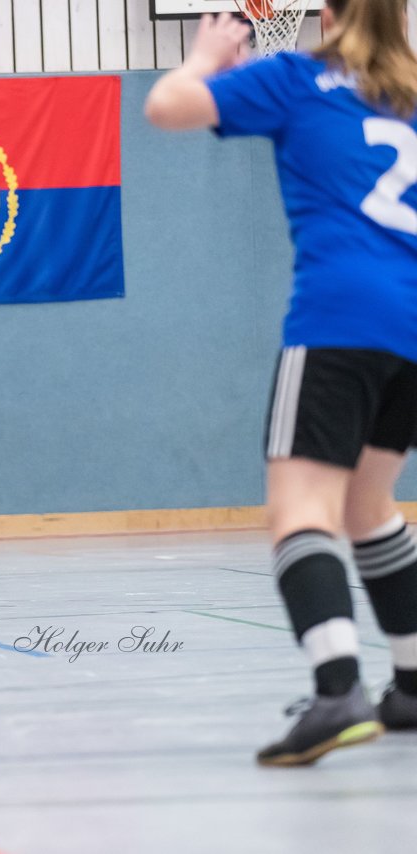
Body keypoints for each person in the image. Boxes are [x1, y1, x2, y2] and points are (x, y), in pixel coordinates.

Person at [145, 0, 417, 765]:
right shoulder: (411, 92)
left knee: (300, 510)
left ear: (324, 13)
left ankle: (337, 691)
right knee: (370, 505)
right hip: (412, 327)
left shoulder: (299, 76)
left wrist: (207, 57)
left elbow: (165, 106)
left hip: (339, 318)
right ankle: (412, 682)